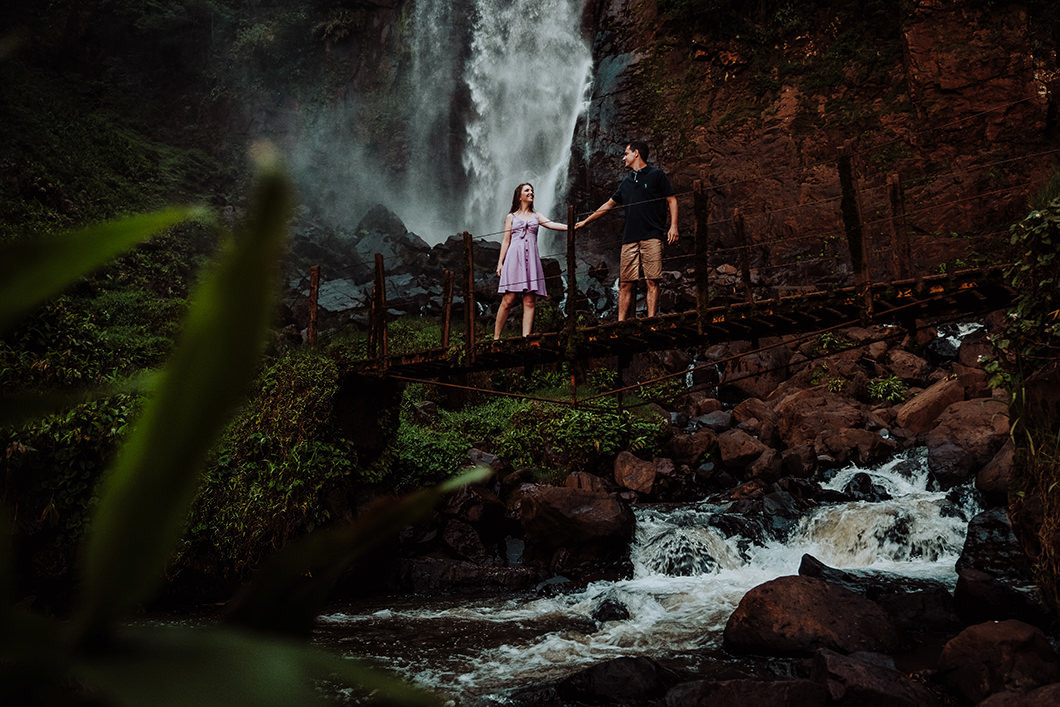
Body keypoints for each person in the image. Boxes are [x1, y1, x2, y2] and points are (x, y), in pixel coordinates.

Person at [575, 141, 678, 321]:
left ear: (636, 153)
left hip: (652, 235)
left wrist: (673, 226)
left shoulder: (656, 175)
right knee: (625, 283)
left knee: (652, 280)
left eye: (626, 153)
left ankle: (651, 320)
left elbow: (672, 200)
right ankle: (621, 322)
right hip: (629, 238)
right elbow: (608, 205)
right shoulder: (626, 182)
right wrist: (585, 221)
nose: (623, 157)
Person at [494, 182, 568, 339]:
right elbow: (506, 240)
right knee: (508, 299)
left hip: (531, 260)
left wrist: (571, 227)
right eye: (527, 190)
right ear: (519, 196)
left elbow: (552, 224)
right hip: (514, 259)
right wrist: (500, 263)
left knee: (529, 300)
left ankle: (526, 338)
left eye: (532, 190)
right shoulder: (511, 217)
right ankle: (496, 338)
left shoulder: (537, 216)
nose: (531, 192)